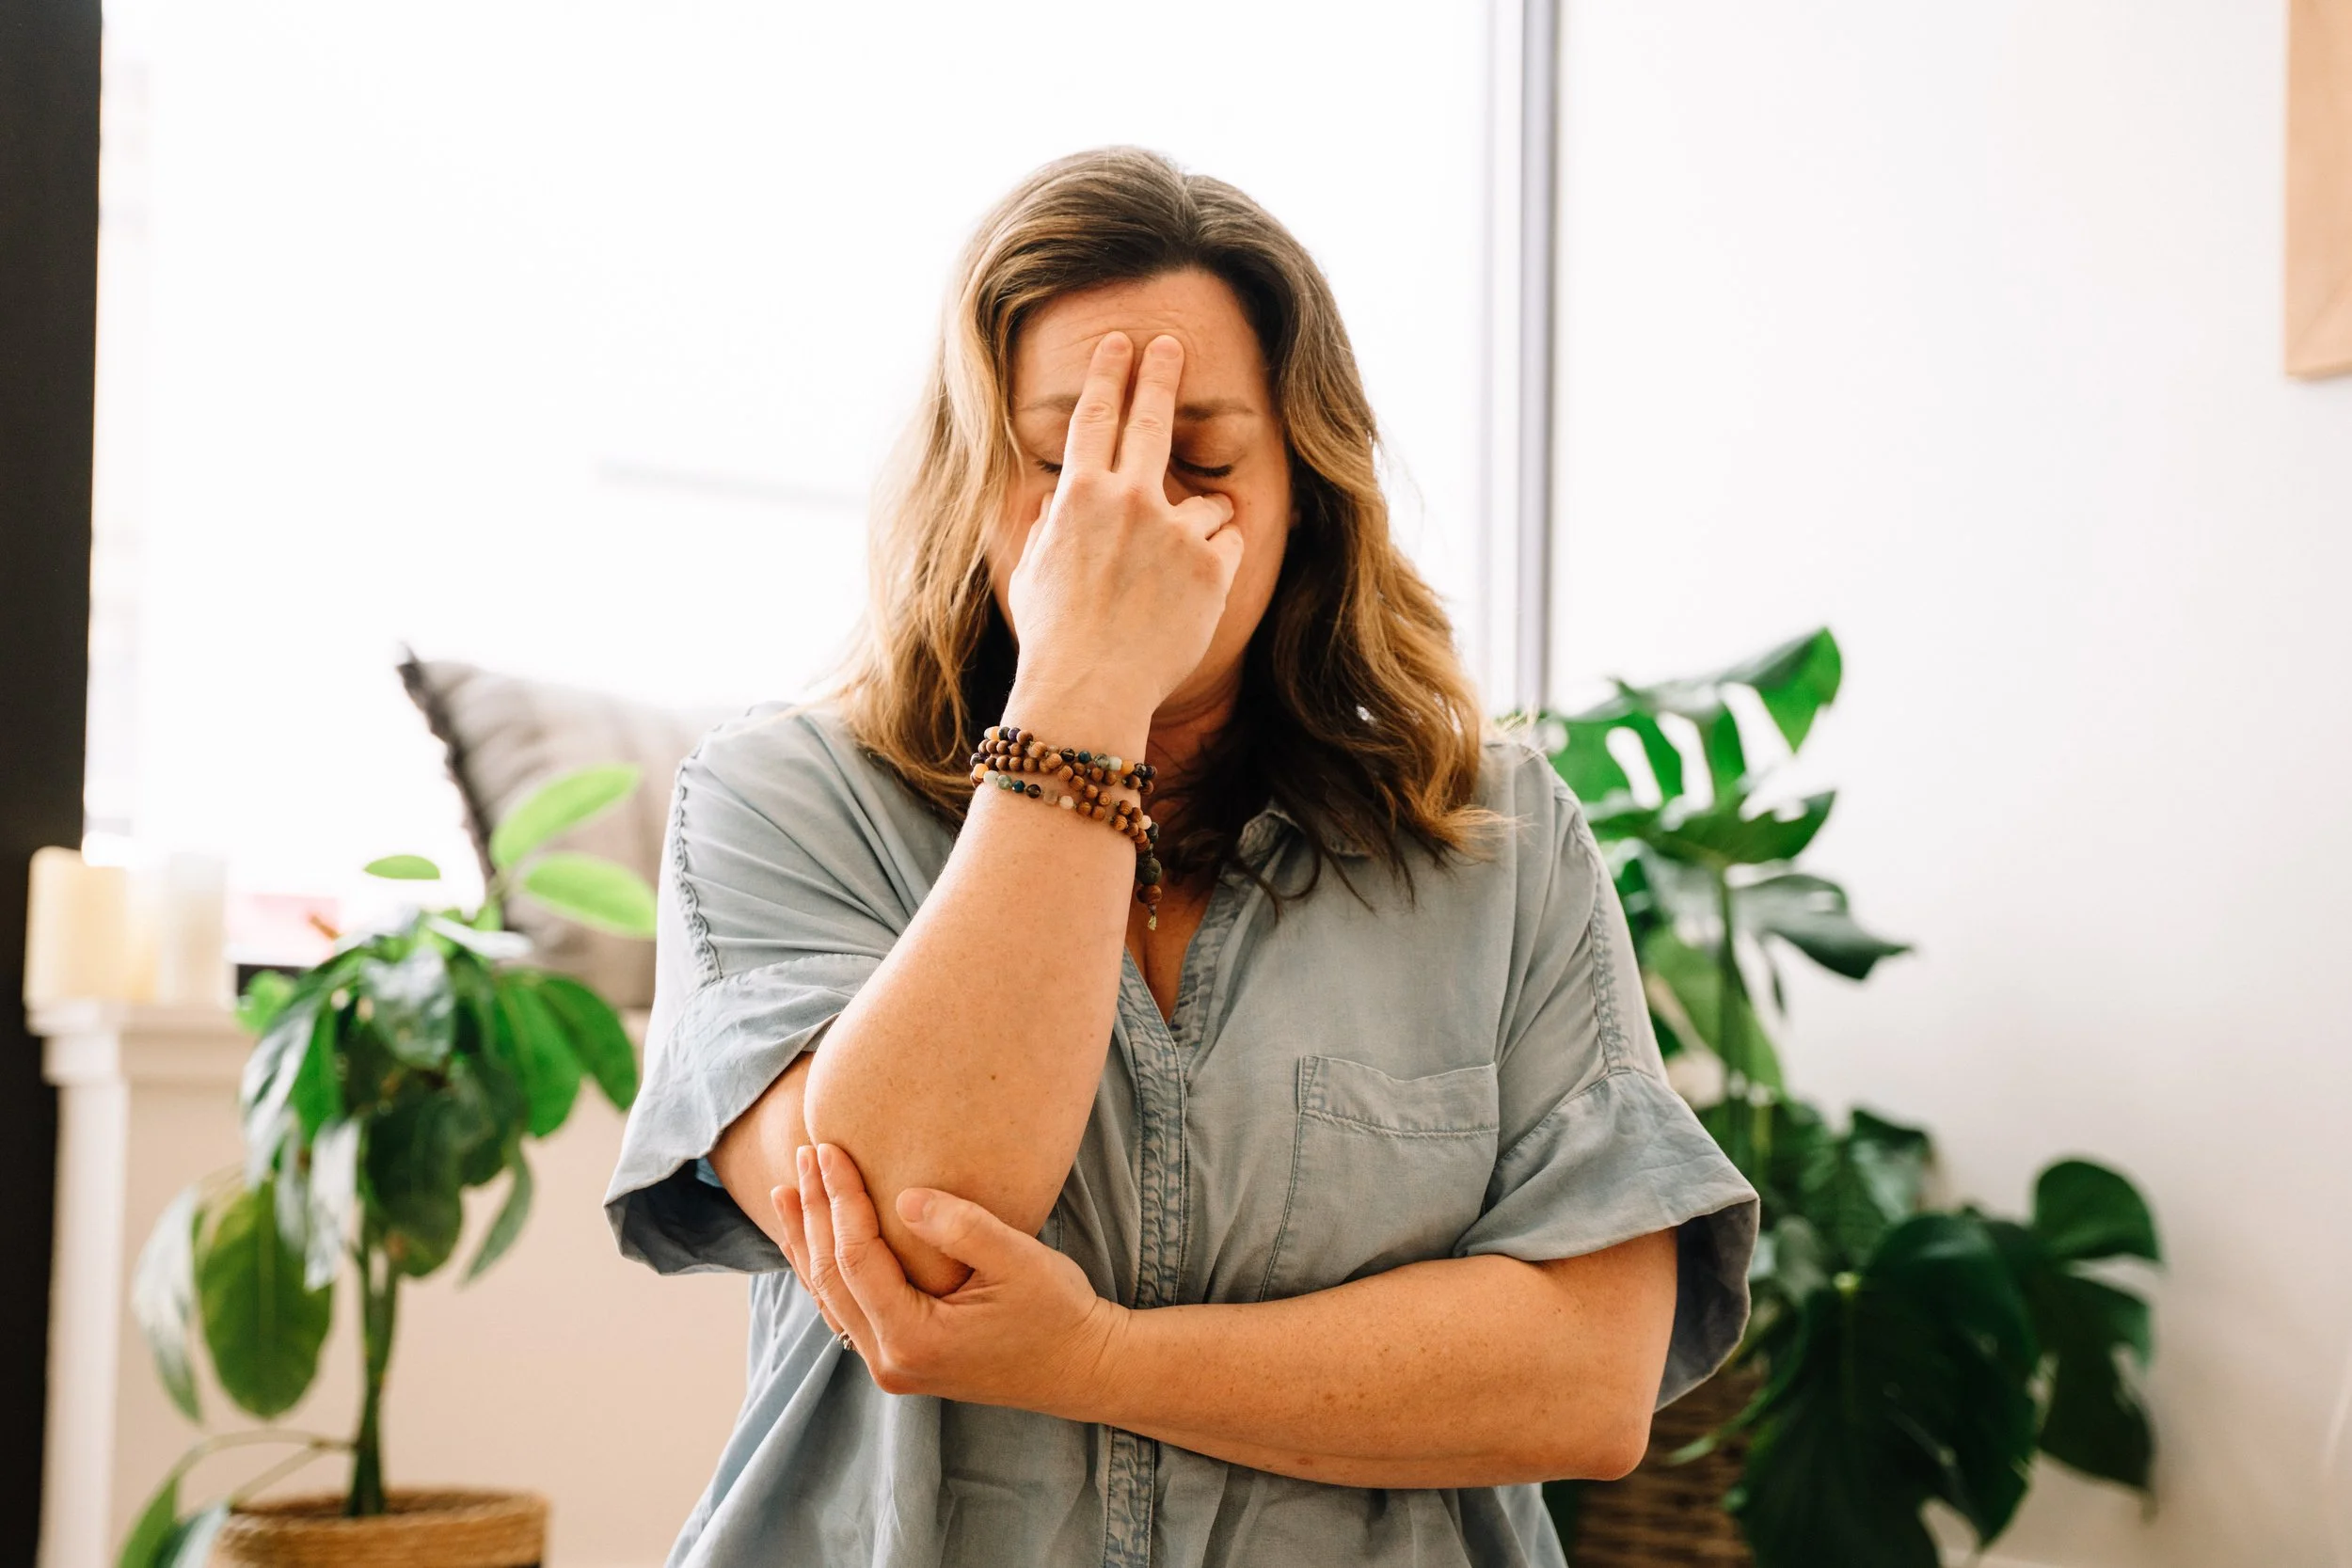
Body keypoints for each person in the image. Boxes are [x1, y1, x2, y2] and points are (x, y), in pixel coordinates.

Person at [604, 146, 1758, 1568]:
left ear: (1305, 492)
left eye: (1195, 462)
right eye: (1067, 464)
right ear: (975, 481)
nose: (1126, 517)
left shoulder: (1497, 843)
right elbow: (907, 1224)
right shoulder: (779, 799)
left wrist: (1089, 1357)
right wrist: (1086, 690)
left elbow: (1583, 1379)